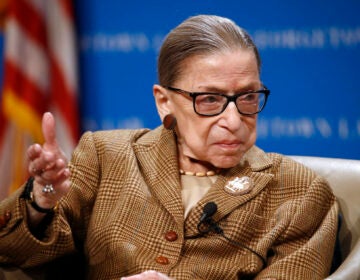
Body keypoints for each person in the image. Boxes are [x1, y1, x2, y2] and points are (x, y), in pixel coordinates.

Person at [0, 15, 338, 280]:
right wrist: (41, 202)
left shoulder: (298, 192)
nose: (234, 120)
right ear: (164, 102)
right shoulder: (105, 156)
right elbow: (17, 255)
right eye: (210, 99)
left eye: (248, 97)